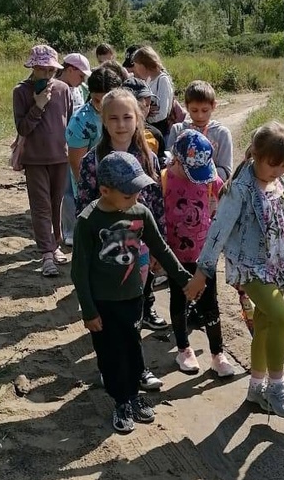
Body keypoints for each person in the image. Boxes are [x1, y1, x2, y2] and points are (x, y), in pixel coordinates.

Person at [186, 122, 284, 418]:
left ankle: (255, 388)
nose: (277, 171)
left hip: (275, 264)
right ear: (254, 154)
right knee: (282, 318)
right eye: (272, 165)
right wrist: (202, 273)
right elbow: (218, 232)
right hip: (250, 268)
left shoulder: (281, 184)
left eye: (283, 166)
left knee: (265, 324)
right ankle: (277, 387)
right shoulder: (239, 190)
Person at [71, 151, 193, 435]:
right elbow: (79, 271)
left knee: (133, 346)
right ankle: (121, 401)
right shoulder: (89, 221)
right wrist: (88, 311)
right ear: (104, 191)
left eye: (138, 192)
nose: (135, 199)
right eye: (128, 195)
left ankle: (134, 394)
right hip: (102, 303)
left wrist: (184, 279)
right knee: (110, 353)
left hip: (133, 297)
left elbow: (161, 248)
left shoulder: (140, 212)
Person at [76, 88, 169, 386]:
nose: (120, 124)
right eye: (113, 117)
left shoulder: (148, 158)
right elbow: (84, 208)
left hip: (139, 250)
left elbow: (156, 205)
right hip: (105, 255)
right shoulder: (93, 161)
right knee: (107, 314)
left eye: (127, 117)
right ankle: (110, 365)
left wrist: (158, 247)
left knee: (133, 310)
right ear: (103, 121)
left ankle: (137, 367)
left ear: (138, 118)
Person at [163, 131, 234, 378]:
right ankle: (183, 349)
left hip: (205, 256)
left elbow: (226, 197)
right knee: (179, 301)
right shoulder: (164, 180)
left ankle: (217, 353)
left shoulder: (207, 177)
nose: (199, 180)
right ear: (177, 160)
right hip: (175, 257)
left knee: (210, 304)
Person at [13, 44, 74, 278]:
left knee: (57, 202)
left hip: (61, 156)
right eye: (42, 69)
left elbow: (66, 121)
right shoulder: (21, 91)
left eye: (51, 70)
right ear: (33, 67)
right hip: (35, 158)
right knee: (41, 206)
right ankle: (46, 254)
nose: (47, 75)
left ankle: (55, 244)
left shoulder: (62, 89)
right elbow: (22, 128)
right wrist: (37, 105)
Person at [63, 64, 124, 244]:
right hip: (92, 184)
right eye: (97, 100)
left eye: (107, 99)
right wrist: (89, 194)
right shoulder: (81, 121)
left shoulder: (124, 111)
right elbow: (76, 164)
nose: (102, 105)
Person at [168, 80, 233, 181]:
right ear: (186, 106)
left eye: (205, 110)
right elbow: (169, 162)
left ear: (214, 106)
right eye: (194, 110)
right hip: (181, 190)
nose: (200, 115)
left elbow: (226, 171)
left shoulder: (222, 134)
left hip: (210, 192)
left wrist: (201, 178)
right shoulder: (178, 130)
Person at [130, 45, 175, 137]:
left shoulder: (162, 80)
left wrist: (147, 115)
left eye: (136, 65)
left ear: (144, 65)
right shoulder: (149, 79)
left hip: (158, 129)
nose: (135, 70)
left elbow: (162, 113)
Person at [122, 75, 166, 159]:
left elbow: (161, 165)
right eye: (141, 105)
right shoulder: (116, 132)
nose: (146, 108)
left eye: (148, 104)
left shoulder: (155, 134)